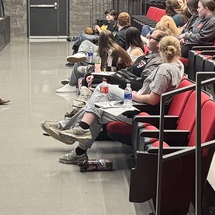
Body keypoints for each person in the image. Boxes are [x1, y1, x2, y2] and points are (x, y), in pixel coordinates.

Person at [41, 36, 185, 165]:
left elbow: (153, 100)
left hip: (140, 107)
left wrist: (133, 95)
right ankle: (79, 149)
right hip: (141, 105)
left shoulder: (164, 69)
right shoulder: (179, 65)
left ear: (160, 48)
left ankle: (74, 128)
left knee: (104, 89)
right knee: (97, 108)